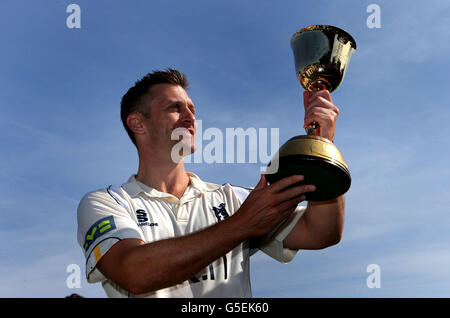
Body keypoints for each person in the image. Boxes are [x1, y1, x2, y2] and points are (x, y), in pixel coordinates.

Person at [76, 69, 345, 297]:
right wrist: (243, 224)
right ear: (137, 123)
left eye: (192, 109)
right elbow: (132, 272)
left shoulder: (233, 199)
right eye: (174, 108)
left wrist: (323, 145)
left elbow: (321, 232)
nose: (190, 118)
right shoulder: (107, 202)